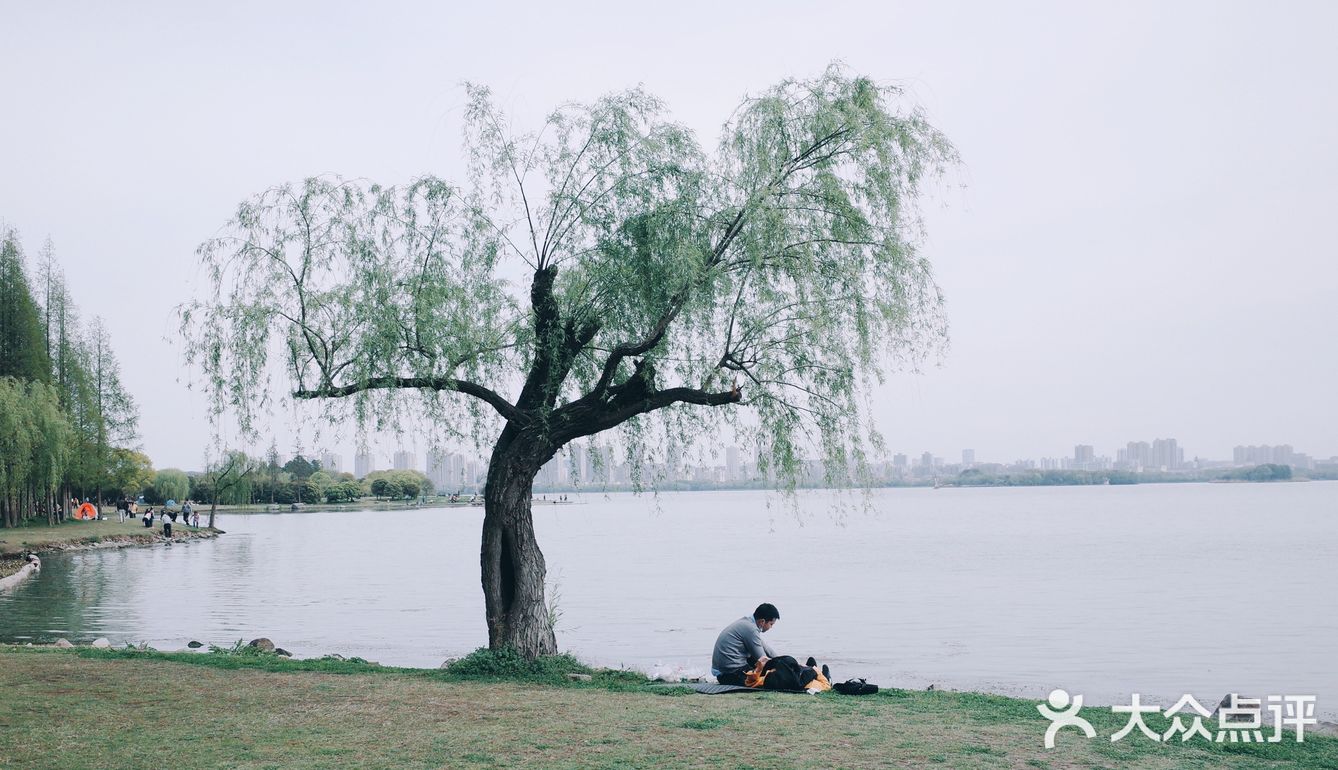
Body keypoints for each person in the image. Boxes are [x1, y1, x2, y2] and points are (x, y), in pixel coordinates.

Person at [711, 603, 780, 685]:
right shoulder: (751, 629)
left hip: (722, 672)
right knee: (769, 678)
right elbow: (763, 659)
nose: (771, 627)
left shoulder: (748, 624)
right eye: (771, 624)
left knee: (760, 664)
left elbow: (765, 648)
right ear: (762, 621)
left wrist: (782, 660)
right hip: (729, 674)